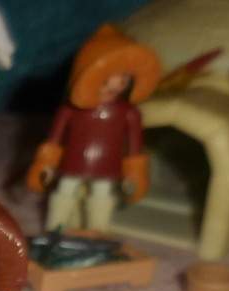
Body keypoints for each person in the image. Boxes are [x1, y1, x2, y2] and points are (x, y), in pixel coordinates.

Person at [27, 24, 159, 232]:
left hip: (108, 166)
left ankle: (97, 234)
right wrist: (47, 163)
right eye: (106, 81)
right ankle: (55, 231)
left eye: (122, 80)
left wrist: (134, 172)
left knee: (102, 196)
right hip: (73, 162)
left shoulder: (129, 113)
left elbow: (134, 147)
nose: (114, 87)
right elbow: (54, 140)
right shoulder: (70, 110)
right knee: (65, 192)